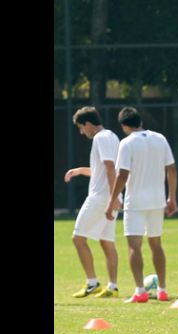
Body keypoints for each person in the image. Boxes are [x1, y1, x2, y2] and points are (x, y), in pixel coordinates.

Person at [105, 107, 177, 303]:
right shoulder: (160, 138)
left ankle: (140, 291)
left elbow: (122, 175)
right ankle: (162, 289)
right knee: (156, 244)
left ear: (124, 126)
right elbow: (171, 168)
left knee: (134, 247)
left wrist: (111, 202)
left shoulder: (127, 143)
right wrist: (172, 197)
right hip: (157, 200)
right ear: (140, 121)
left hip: (135, 202)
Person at [65, 106, 121, 298]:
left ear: (88, 124)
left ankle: (92, 282)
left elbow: (110, 166)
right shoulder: (112, 136)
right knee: (107, 241)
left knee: (78, 238)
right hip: (109, 196)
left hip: (101, 198)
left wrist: (113, 198)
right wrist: (81, 170)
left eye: (81, 128)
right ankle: (112, 287)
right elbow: (104, 169)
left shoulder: (100, 137)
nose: (82, 132)